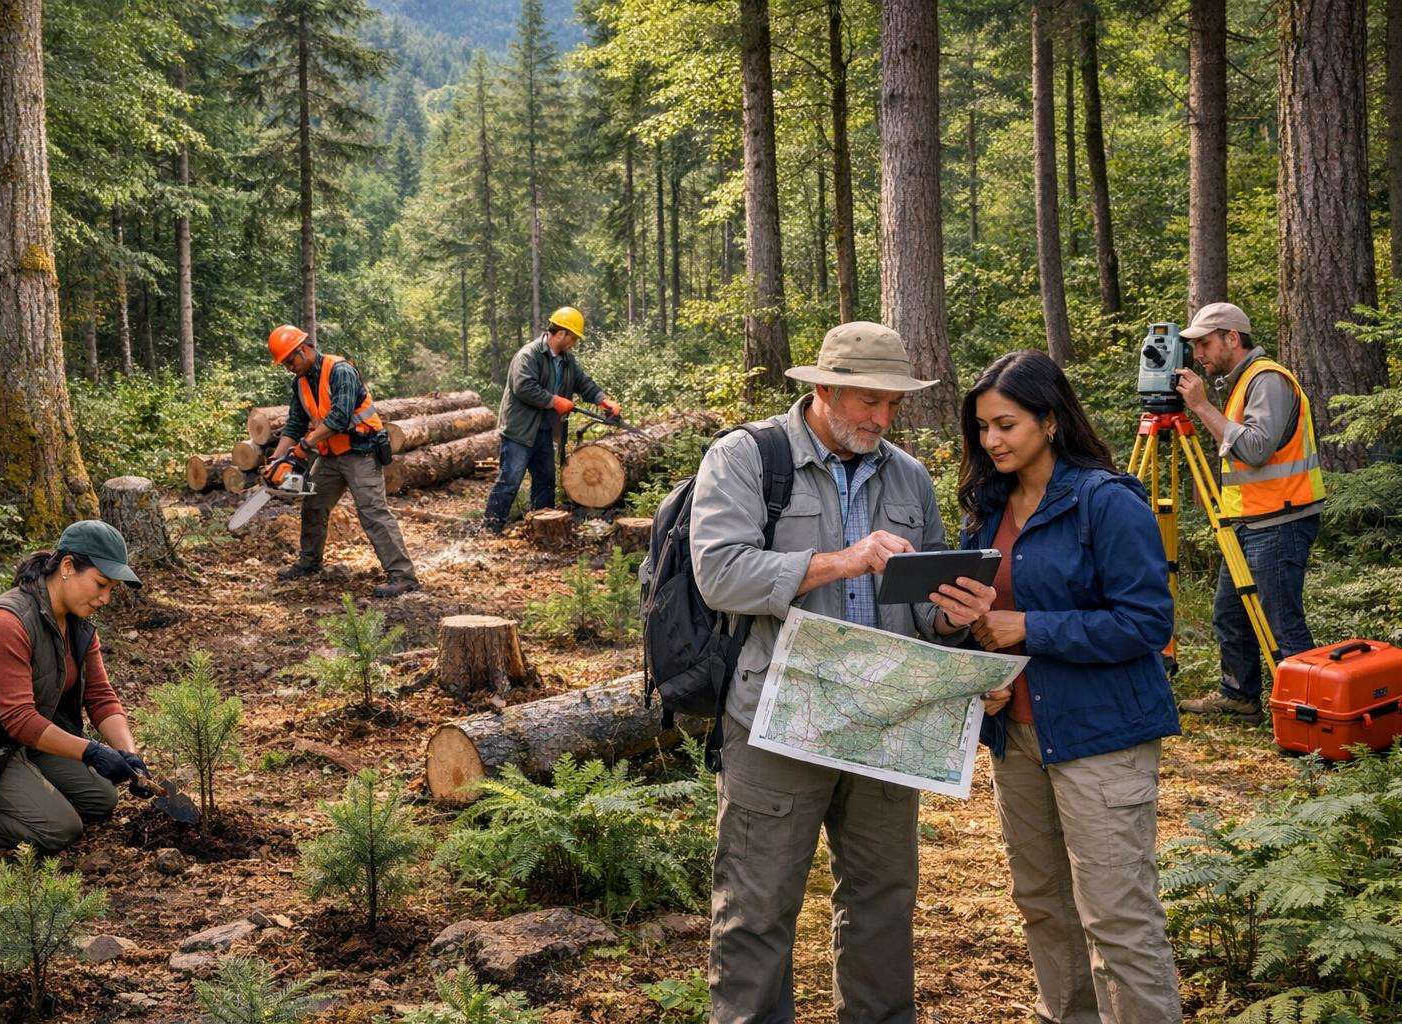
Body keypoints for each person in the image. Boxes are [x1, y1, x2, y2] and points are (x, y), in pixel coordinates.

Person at [690, 321, 996, 1024]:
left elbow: (922, 608)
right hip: (776, 718)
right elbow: (721, 574)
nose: (882, 419)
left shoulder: (909, 476)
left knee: (883, 907)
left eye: (893, 405)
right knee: (758, 906)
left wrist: (952, 615)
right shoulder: (748, 458)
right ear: (823, 389)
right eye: (867, 402)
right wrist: (844, 560)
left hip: (886, 724)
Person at [958, 349, 1182, 1022]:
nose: (992, 441)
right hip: (1017, 737)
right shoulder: (987, 509)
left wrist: (1029, 626)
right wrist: (974, 649)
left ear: (1050, 421)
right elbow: (989, 623)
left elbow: (1146, 623)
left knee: (1117, 918)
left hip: (1101, 737)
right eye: (982, 429)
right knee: (1044, 908)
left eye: (1006, 425)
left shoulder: (1105, 501)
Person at [0, 521, 152, 854]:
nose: (105, 598)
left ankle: (14, 796)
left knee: (102, 799)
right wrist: (91, 751)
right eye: (101, 584)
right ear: (68, 566)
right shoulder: (6, 622)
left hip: (19, 743)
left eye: (112, 589)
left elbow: (100, 697)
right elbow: (18, 718)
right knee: (61, 828)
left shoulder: (79, 627)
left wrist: (130, 755)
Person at [1172, 302, 1324, 721]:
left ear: (1231, 338)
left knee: (1281, 624)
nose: (1198, 354)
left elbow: (1256, 449)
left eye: (1204, 343)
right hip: (1250, 521)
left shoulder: (1267, 380)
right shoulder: (1240, 384)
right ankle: (1239, 695)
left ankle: (1308, 714)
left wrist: (1201, 407)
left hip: (1280, 520)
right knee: (1229, 613)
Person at [265, 324, 419, 598]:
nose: (288, 367)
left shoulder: (339, 371)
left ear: (303, 350)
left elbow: (339, 417)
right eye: (284, 363)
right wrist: (278, 458)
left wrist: (303, 448)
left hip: (361, 452)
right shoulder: (300, 383)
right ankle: (309, 562)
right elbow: (295, 423)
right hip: (329, 456)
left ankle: (402, 576)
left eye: (290, 360)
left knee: (372, 513)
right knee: (313, 505)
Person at [482, 306, 621, 533]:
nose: (575, 342)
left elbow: (583, 383)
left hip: (544, 430)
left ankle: (542, 530)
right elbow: (523, 387)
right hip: (520, 431)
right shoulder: (529, 355)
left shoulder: (567, 361)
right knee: (510, 481)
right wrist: (555, 401)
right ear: (562, 333)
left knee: (545, 482)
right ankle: (490, 528)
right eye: (574, 337)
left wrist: (603, 400)